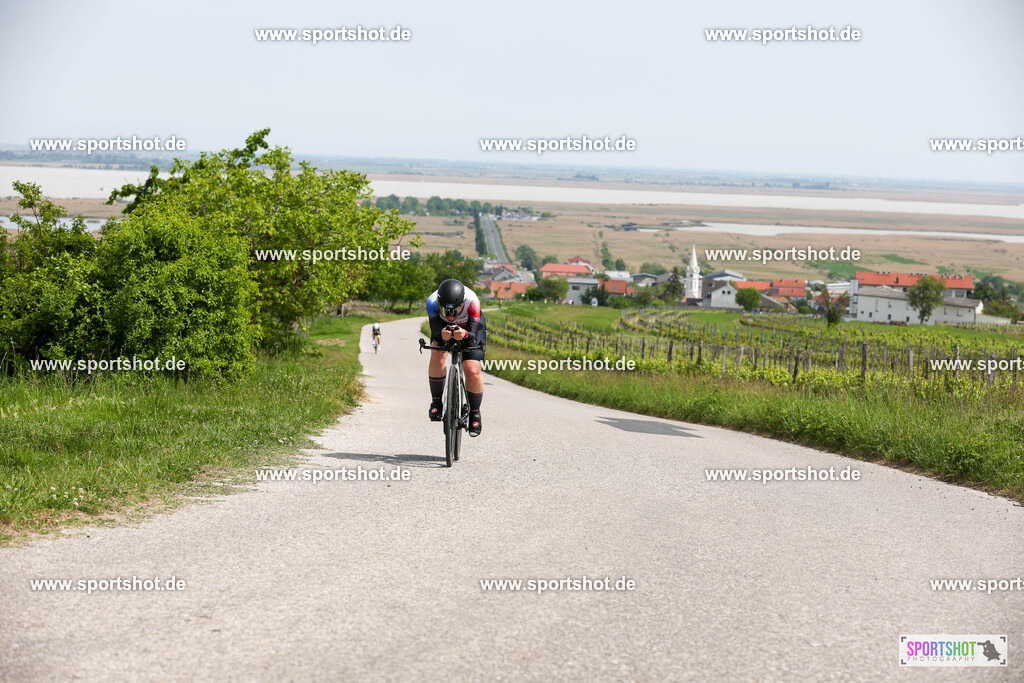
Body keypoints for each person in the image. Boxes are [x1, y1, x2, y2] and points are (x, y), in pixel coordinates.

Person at [426, 279, 485, 436]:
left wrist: (465, 334)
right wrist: (441, 335)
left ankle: (475, 413)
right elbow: (435, 333)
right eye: (446, 311)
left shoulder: (472, 301)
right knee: (437, 353)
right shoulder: (432, 302)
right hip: (442, 326)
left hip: (469, 327)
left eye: (456, 311)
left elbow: (473, 337)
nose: (451, 317)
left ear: (463, 303)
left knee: (472, 369)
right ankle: (436, 402)